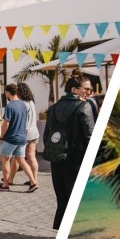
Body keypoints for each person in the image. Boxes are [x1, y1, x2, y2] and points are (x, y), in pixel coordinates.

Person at [44, 74, 95, 229]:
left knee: (63, 199)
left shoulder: (53, 108)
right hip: (76, 161)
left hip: (57, 160)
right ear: (74, 89)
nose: (89, 93)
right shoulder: (83, 107)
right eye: (86, 89)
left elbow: (47, 136)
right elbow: (89, 136)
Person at [0, 84, 38, 192]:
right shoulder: (23, 105)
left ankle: (5, 184)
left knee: (5, 159)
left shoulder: (10, 106)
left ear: (8, 92)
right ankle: (33, 182)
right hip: (22, 137)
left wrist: (1, 136)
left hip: (11, 137)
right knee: (22, 160)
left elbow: (6, 123)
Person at [7, 83, 39, 186]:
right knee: (30, 157)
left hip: (24, 132)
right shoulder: (31, 101)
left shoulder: (22, 104)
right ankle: (34, 179)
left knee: (18, 157)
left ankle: (12, 179)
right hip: (34, 132)